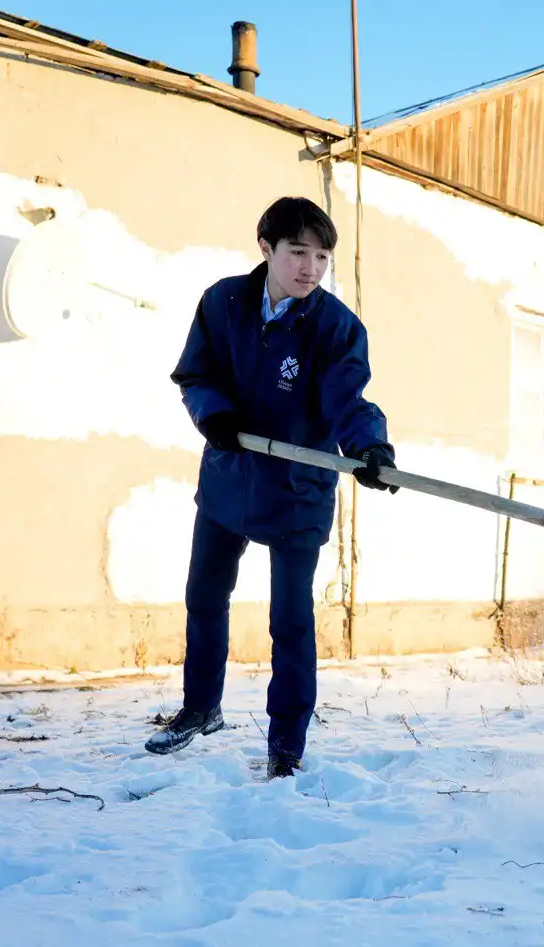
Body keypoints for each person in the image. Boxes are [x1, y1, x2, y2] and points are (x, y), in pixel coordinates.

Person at [145, 197, 396, 778]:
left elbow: (348, 401)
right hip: (230, 478)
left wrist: (368, 448)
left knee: (290, 619)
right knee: (205, 597)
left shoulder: (336, 328)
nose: (310, 268)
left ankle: (286, 747)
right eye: (298, 252)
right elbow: (197, 373)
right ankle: (200, 708)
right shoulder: (223, 302)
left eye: (322, 256)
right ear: (267, 248)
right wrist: (214, 415)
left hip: (297, 486)